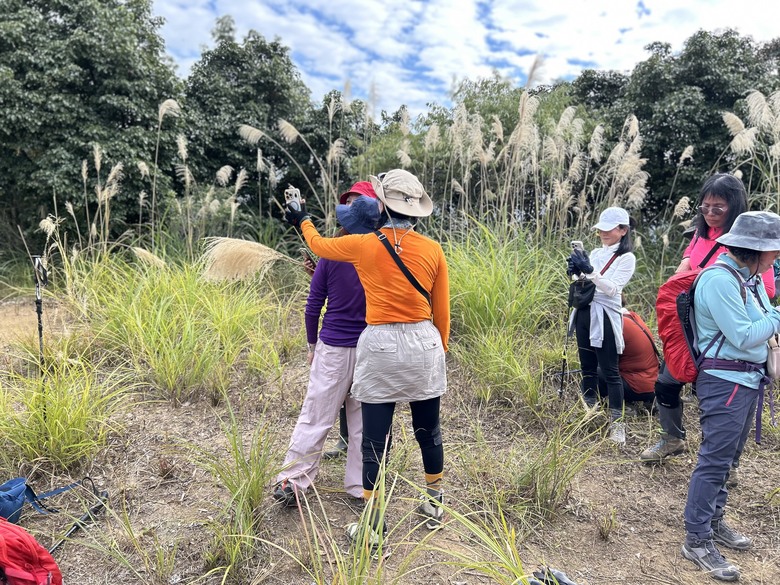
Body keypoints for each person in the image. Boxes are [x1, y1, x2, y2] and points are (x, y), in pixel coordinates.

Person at [283, 168, 450, 547]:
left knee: (372, 438)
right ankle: (434, 504)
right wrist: (437, 350)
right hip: (425, 343)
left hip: (381, 344)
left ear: (381, 205)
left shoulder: (364, 244)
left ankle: (374, 526)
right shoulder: (433, 249)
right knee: (429, 431)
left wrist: (301, 219)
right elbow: (442, 314)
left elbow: (320, 245)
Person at [640, 173, 775, 475]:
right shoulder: (700, 235)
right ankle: (672, 438)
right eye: (705, 206)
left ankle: (727, 464)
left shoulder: (748, 244)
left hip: (725, 335)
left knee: (714, 397)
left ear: (735, 206)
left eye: (719, 208)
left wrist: (714, 283)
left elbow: (765, 290)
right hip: (691, 328)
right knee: (667, 381)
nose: (711, 213)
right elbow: (684, 268)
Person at [680, 211, 780, 582]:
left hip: (745, 381)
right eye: (774, 250)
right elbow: (742, 334)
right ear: (756, 250)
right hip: (724, 382)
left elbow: (763, 318)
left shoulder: (748, 279)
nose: (777, 256)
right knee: (714, 460)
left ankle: (714, 521)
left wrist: (771, 318)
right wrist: (777, 318)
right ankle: (697, 537)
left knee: (728, 459)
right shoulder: (720, 281)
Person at [273, 191, 380, 506]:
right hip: (369, 349)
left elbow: (313, 306)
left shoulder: (331, 255)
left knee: (316, 415)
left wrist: (311, 344)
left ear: (346, 225)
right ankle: (361, 487)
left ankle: (292, 482)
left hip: (333, 347)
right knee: (363, 422)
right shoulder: (382, 255)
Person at [568, 206, 636, 444]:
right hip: (585, 311)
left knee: (610, 370)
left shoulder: (626, 258)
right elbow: (584, 281)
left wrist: (589, 270)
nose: (604, 234)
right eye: (601, 230)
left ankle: (617, 422)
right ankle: (589, 413)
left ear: (623, 230)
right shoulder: (596, 252)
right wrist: (577, 272)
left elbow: (613, 289)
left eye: (609, 229)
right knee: (587, 365)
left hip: (606, 315)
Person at [596, 309, 659, 412]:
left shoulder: (616, 326)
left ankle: (621, 408)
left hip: (638, 387)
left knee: (593, 373)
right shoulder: (632, 317)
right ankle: (637, 402)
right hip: (654, 383)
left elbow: (608, 365)